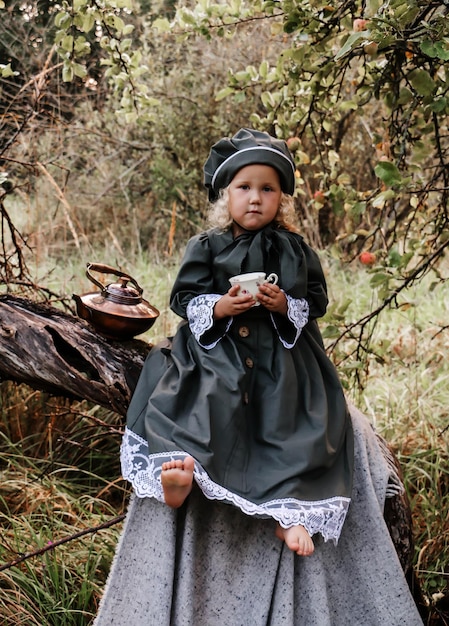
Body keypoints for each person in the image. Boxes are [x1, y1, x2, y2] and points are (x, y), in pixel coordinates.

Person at [94, 129, 423, 625]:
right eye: (244, 187)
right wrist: (220, 306)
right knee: (197, 401)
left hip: (281, 357)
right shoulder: (207, 245)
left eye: (268, 188)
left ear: (282, 197)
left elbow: (316, 300)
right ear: (226, 195)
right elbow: (183, 299)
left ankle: (290, 517)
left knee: (304, 420)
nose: (256, 197)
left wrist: (285, 304)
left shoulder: (293, 249)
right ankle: (180, 480)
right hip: (220, 353)